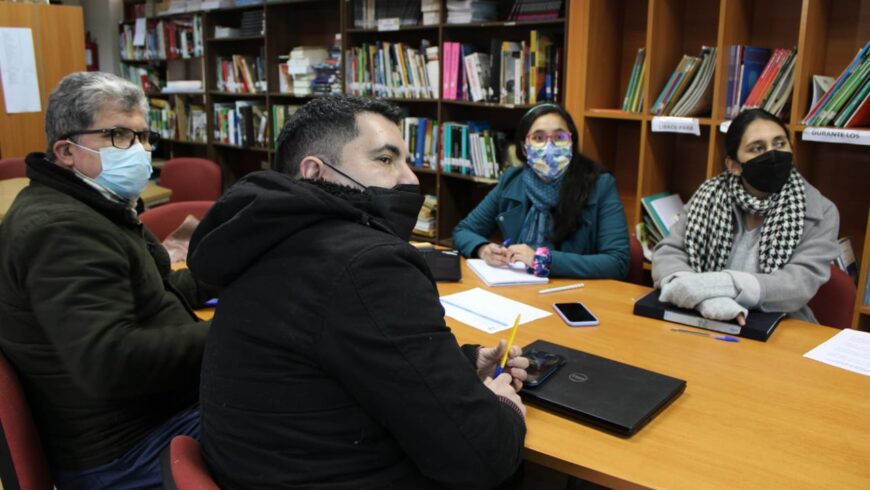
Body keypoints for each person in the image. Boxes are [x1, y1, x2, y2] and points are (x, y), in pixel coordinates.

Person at [187, 95, 529, 489]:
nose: (410, 179)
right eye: (385, 160)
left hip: (261, 467)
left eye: (405, 160)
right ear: (315, 171)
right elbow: (481, 457)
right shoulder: (368, 264)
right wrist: (503, 405)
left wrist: (464, 364)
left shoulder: (265, 233)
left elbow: (344, 358)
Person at [0, 72, 213, 489]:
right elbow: (110, 361)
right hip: (125, 450)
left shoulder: (91, 204)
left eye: (143, 137)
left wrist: (231, 277)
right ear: (65, 151)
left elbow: (155, 292)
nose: (140, 151)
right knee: (308, 416)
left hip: (145, 421)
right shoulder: (60, 229)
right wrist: (238, 330)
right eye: (119, 136)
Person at [652, 108, 840, 324]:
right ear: (734, 165)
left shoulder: (820, 211)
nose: (772, 154)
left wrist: (715, 285)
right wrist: (704, 301)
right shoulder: (708, 197)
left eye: (780, 144)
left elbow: (798, 284)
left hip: (779, 324)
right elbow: (668, 252)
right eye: (757, 148)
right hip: (702, 319)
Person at [453, 103, 630, 279]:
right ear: (524, 147)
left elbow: (617, 262)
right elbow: (463, 231)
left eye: (559, 137)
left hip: (575, 292)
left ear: (571, 142)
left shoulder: (600, 185)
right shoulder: (512, 180)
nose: (549, 146)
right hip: (519, 287)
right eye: (538, 138)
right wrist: (483, 249)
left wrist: (544, 260)